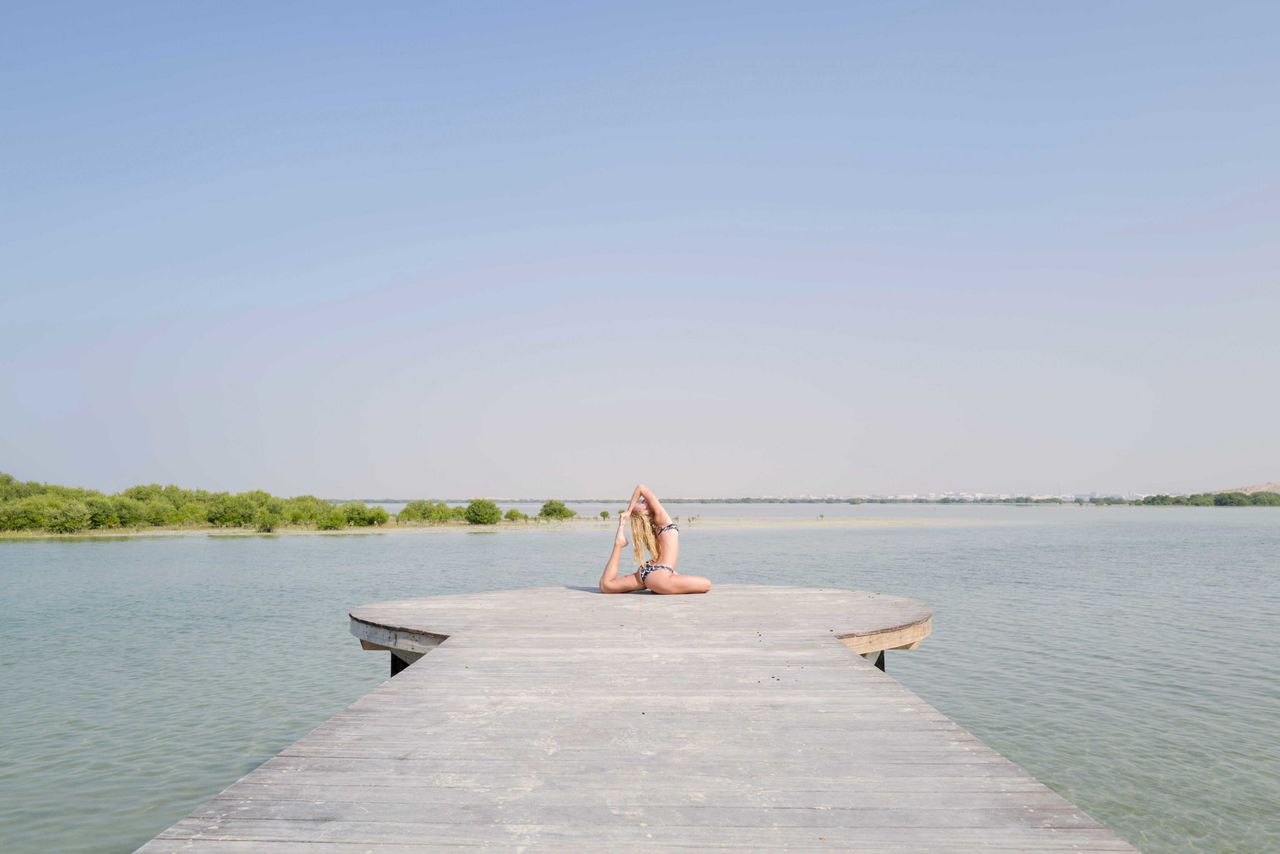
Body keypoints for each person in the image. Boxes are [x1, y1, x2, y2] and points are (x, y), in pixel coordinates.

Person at [598, 484, 712, 594]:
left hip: (645, 571)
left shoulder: (655, 527)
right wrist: (629, 510)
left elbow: (605, 586)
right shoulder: (662, 519)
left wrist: (621, 525)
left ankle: (618, 544)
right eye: (642, 503)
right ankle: (659, 585)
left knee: (607, 585)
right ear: (646, 513)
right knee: (707, 584)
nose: (644, 500)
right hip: (659, 576)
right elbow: (641, 488)